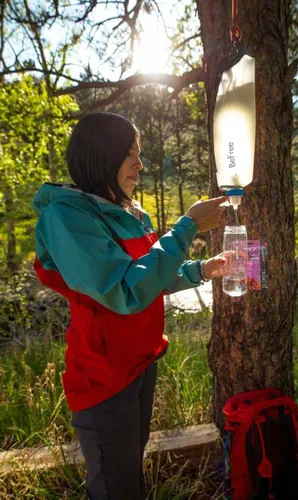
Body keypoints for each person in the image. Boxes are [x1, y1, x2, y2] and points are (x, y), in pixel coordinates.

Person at [32, 112, 229, 500]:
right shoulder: (67, 215)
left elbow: (150, 277)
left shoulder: (132, 212)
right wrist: (186, 227)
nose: (139, 163)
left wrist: (202, 270)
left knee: (129, 471)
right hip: (103, 376)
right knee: (114, 486)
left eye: (138, 152)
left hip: (140, 363)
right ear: (99, 155)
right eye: (128, 153)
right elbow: (124, 291)